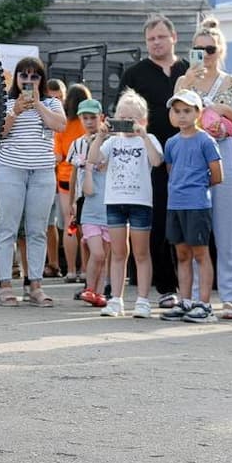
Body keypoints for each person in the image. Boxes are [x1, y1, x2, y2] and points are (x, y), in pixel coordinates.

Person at [175, 24, 232, 318]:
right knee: (195, 227)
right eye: (199, 49)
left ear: (220, 50)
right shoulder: (185, 80)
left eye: (210, 49)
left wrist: (226, 112)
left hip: (226, 153)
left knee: (228, 228)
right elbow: (174, 117)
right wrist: (186, 85)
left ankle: (230, 295)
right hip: (192, 157)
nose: (205, 55)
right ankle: (197, 296)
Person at [0, 55, 65, 307]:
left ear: (41, 79)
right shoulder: (5, 103)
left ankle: (35, 285)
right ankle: (5, 284)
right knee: (6, 228)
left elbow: (60, 126)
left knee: (37, 230)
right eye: (24, 75)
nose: (28, 80)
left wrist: (38, 104)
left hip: (41, 172)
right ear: (16, 78)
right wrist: (16, 111)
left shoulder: (52, 102)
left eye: (34, 76)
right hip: (10, 170)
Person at [120, 16, 190, 301]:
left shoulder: (189, 70)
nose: (156, 42)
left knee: (189, 219)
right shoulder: (135, 74)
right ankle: (165, 286)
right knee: (158, 220)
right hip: (151, 159)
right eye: (151, 39)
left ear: (173, 37)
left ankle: (197, 285)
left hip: (187, 155)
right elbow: (122, 115)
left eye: (161, 37)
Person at [93, 93, 164, 317]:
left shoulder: (149, 139)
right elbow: (95, 160)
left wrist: (143, 136)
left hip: (140, 202)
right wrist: (99, 137)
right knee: (118, 252)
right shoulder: (113, 141)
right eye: (121, 117)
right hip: (115, 201)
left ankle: (143, 300)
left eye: (131, 119)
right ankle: (116, 299)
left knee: (141, 253)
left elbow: (156, 161)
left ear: (142, 120)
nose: (126, 122)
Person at [160, 91, 222, 322]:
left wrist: (195, 188)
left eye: (187, 111)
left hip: (197, 205)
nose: (182, 116)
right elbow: (171, 170)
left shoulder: (206, 140)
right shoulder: (171, 143)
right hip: (175, 205)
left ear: (198, 113)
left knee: (200, 253)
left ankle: (204, 305)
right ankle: (185, 301)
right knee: (182, 254)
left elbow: (216, 174)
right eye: (177, 111)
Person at [68, 98, 111, 307]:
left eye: (93, 117)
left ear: (101, 117)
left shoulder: (108, 141)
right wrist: (71, 202)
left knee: (102, 249)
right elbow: (73, 175)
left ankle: (99, 288)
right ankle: (88, 282)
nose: (89, 122)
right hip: (83, 198)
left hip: (104, 199)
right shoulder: (77, 144)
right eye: (85, 118)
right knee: (86, 242)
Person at [53, 83, 91, 281]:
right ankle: (85, 269)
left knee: (70, 223)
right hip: (86, 179)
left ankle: (70, 270)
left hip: (65, 179)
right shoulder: (89, 122)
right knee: (87, 226)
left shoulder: (62, 124)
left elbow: (58, 156)